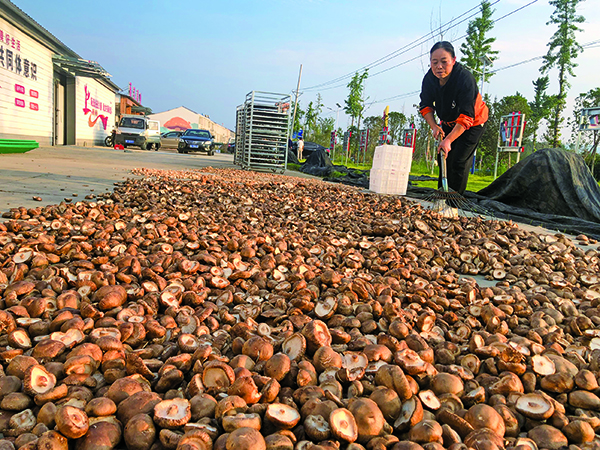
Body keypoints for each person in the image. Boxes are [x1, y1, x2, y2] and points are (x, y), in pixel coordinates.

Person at [419, 41, 488, 195]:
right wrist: (434, 126)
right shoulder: (429, 79)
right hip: (448, 122)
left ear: (453, 60)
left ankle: (453, 202)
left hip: (473, 122)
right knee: (443, 156)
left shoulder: (464, 79)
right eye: (434, 62)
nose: (439, 67)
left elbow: (466, 116)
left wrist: (449, 140)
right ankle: (441, 196)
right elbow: (425, 106)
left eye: (444, 62)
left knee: (458, 161)